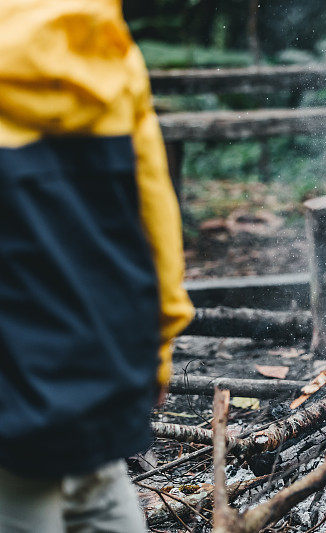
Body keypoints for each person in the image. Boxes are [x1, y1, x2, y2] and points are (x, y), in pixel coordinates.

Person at [0, 1, 194, 531]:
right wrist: (161, 345)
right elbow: (156, 213)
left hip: (14, 366)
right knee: (99, 484)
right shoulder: (107, 48)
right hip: (101, 346)